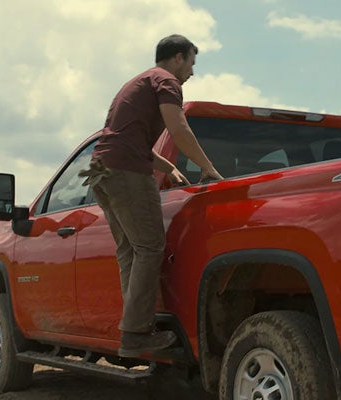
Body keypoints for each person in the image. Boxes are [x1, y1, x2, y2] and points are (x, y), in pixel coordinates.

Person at [80, 34, 223, 358]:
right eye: (191, 63)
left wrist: (168, 166)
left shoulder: (139, 82)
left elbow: (127, 139)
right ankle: (135, 334)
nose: (192, 72)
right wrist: (209, 168)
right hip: (128, 172)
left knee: (131, 250)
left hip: (103, 171)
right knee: (149, 248)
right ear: (177, 58)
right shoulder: (167, 81)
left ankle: (135, 327)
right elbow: (179, 129)